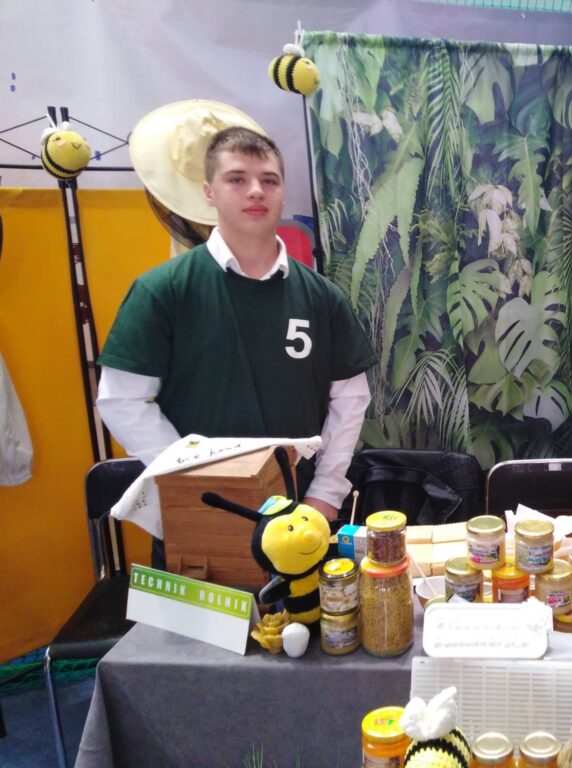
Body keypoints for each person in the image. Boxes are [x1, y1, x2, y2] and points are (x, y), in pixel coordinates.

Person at [97, 126, 377, 545]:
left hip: (299, 517)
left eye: (269, 180)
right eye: (237, 179)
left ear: (283, 192)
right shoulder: (163, 290)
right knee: (203, 589)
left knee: (302, 591)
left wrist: (325, 493)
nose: (256, 191)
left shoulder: (322, 298)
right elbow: (121, 400)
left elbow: (351, 401)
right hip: (201, 515)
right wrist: (192, 479)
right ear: (209, 192)